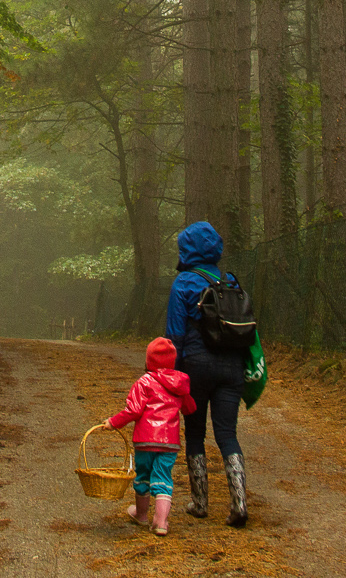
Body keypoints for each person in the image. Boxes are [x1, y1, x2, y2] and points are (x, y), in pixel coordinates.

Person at [166, 220, 251, 526]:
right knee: (228, 434)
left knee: (196, 433)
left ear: (187, 249)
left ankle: (200, 502)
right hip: (232, 368)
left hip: (196, 367)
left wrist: (171, 379)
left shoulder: (184, 283)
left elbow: (174, 336)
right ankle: (239, 503)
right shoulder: (230, 282)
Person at [104, 336, 197, 536]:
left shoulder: (144, 382)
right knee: (163, 477)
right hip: (169, 442)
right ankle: (161, 522)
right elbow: (190, 408)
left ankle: (142, 514)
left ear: (148, 361)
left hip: (145, 440)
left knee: (143, 476)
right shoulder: (180, 384)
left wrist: (113, 422)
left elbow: (133, 411)